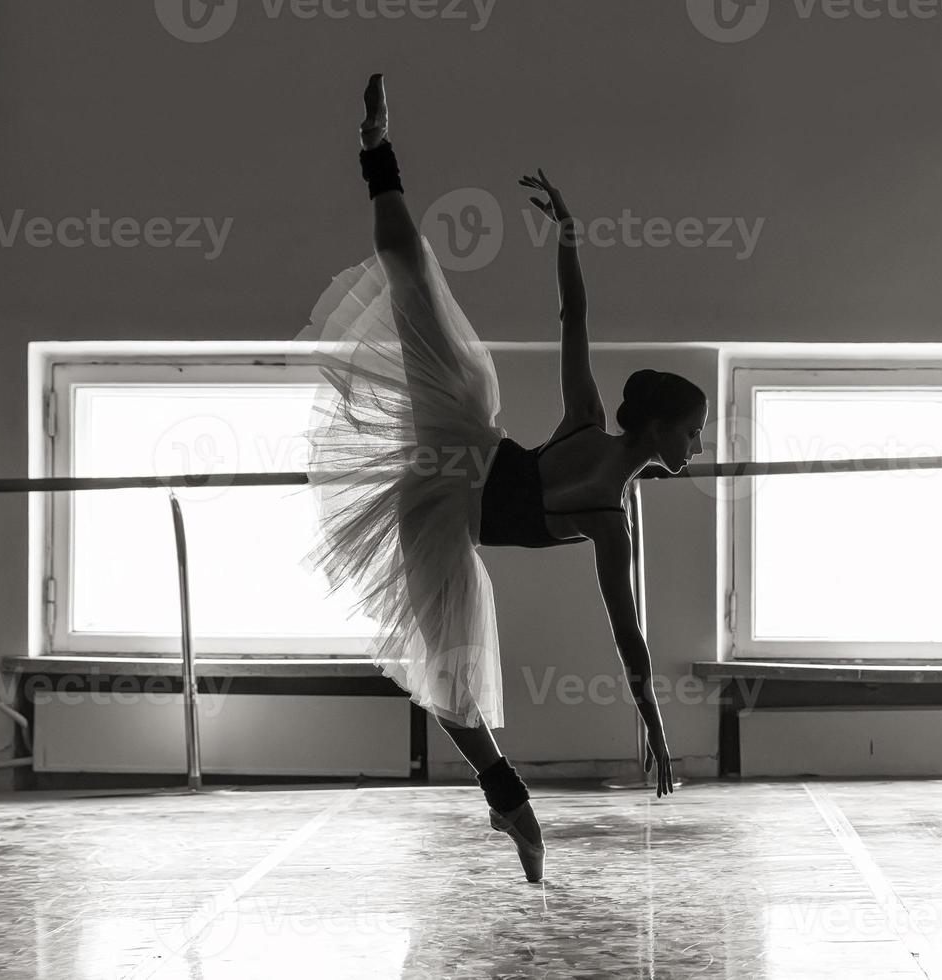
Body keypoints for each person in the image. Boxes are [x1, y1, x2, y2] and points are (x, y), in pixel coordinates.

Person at [296, 74, 707, 882]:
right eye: (692, 434)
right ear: (656, 427)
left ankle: (509, 802)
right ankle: (378, 151)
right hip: (460, 433)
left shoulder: (609, 519)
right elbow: (574, 321)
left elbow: (627, 630)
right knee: (412, 274)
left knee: (445, 680)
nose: (695, 449)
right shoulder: (588, 421)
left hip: (440, 516)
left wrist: (653, 719)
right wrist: (569, 236)